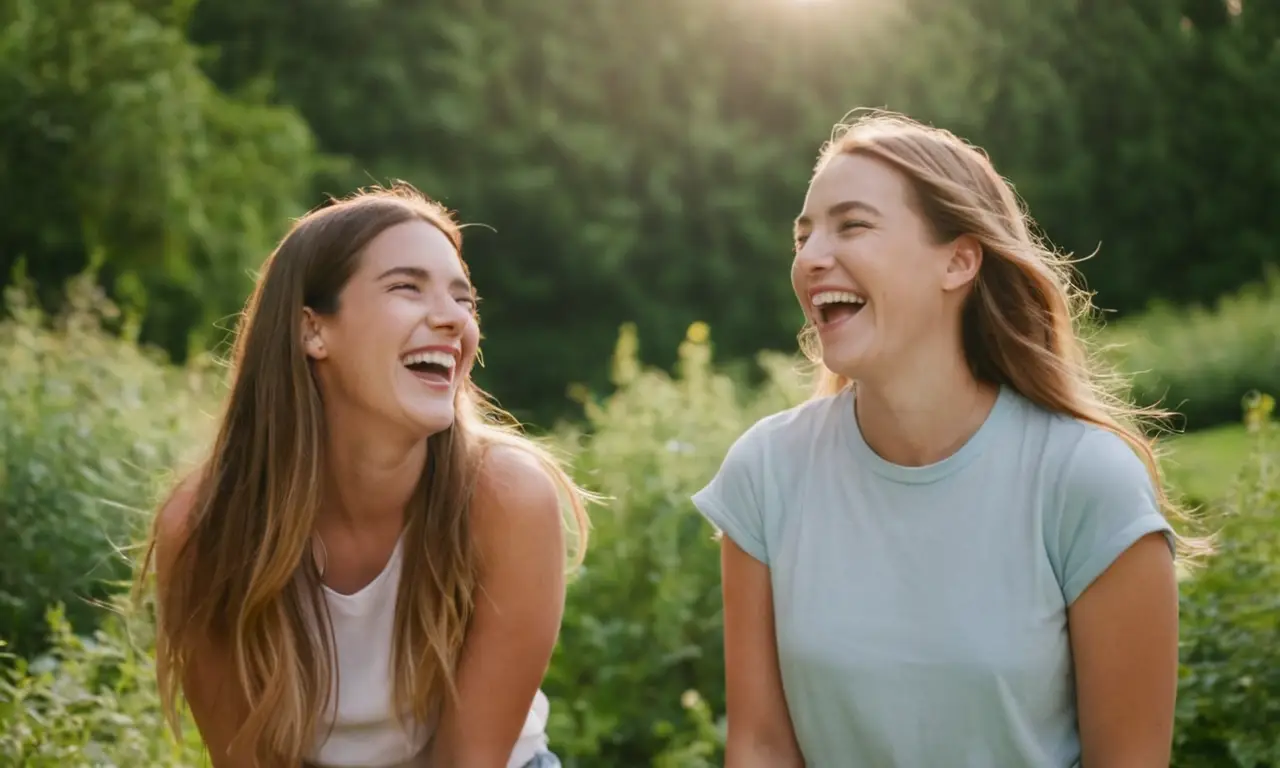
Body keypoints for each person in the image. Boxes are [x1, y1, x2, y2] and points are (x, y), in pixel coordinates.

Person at [691, 111, 1207, 767]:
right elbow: (762, 747)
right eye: (803, 236)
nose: (812, 258)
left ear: (959, 261)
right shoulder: (765, 472)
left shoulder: (1085, 480)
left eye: (852, 225)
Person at [134, 184, 589, 768]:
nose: (454, 319)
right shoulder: (205, 527)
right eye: (407, 287)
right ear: (312, 331)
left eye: (465, 300)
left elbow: (469, 762)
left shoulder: (506, 498)